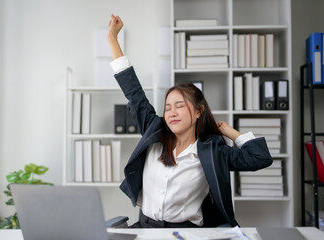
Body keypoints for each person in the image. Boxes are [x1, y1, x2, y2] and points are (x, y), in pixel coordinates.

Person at [106, 14, 273, 228]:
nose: (171, 112)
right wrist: (112, 39)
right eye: (167, 108)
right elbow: (133, 92)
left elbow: (260, 158)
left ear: (198, 112)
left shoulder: (212, 150)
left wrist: (230, 132)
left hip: (187, 232)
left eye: (179, 106)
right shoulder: (153, 130)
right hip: (146, 228)